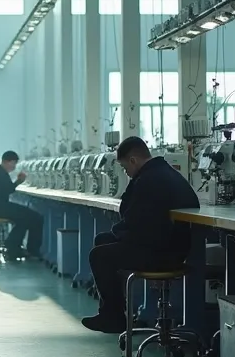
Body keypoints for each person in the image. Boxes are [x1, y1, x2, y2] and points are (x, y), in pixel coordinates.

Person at [82, 136, 200, 334]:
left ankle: (114, 318)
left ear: (133, 160)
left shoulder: (149, 180)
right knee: (102, 241)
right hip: (169, 244)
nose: (126, 173)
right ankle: (112, 310)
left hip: (163, 252)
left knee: (99, 256)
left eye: (125, 167)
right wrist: (119, 233)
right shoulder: (163, 172)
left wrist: (119, 233)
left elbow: (137, 223)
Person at [0, 150, 42, 259]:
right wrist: (19, 181)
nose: (14, 166)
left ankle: (14, 247)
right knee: (35, 217)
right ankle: (27, 249)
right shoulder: (0, 172)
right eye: (13, 163)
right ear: (6, 162)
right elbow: (9, 189)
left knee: (25, 218)